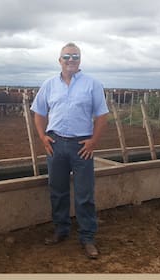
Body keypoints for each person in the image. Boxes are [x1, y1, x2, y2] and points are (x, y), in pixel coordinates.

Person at [30, 42, 109, 259]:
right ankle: (61, 230)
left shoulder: (93, 84)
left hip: (81, 145)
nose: (70, 60)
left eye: (75, 56)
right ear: (59, 60)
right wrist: (43, 137)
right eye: (66, 57)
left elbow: (102, 116)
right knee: (58, 190)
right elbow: (38, 112)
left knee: (85, 193)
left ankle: (87, 237)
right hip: (55, 143)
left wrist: (93, 141)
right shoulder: (48, 84)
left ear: (80, 60)